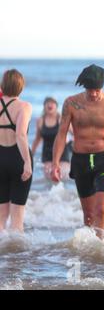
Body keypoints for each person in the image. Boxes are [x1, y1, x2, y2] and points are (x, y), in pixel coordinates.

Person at [51, 64, 104, 238]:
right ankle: (91, 255)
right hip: (80, 160)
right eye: (90, 90)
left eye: (97, 90)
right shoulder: (71, 103)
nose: (94, 94)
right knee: (88, 215)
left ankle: (102, 247)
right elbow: (61, 134)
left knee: (101, 209)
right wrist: (55, 164)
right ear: (84, 87)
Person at [0, 69, 33, 232]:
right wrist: (27, 162)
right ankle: (16, 256)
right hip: (17, 158)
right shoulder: (24, 106)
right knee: (17, 217)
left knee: (1, 217)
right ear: (21, 86)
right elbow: (20, 134)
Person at [31, 97, 71, 180]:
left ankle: (67, 193)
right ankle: (48, 193)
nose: (50, 104)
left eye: (52, 103)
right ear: (44, 106)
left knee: (63, 177)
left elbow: (74, 133)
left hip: (62, 152)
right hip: (47, 153)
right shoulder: (40, 120)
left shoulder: (61, 119)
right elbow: (37, 139)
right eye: (47, 103)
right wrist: (31, 155)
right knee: (49, 178)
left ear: (56, 106)